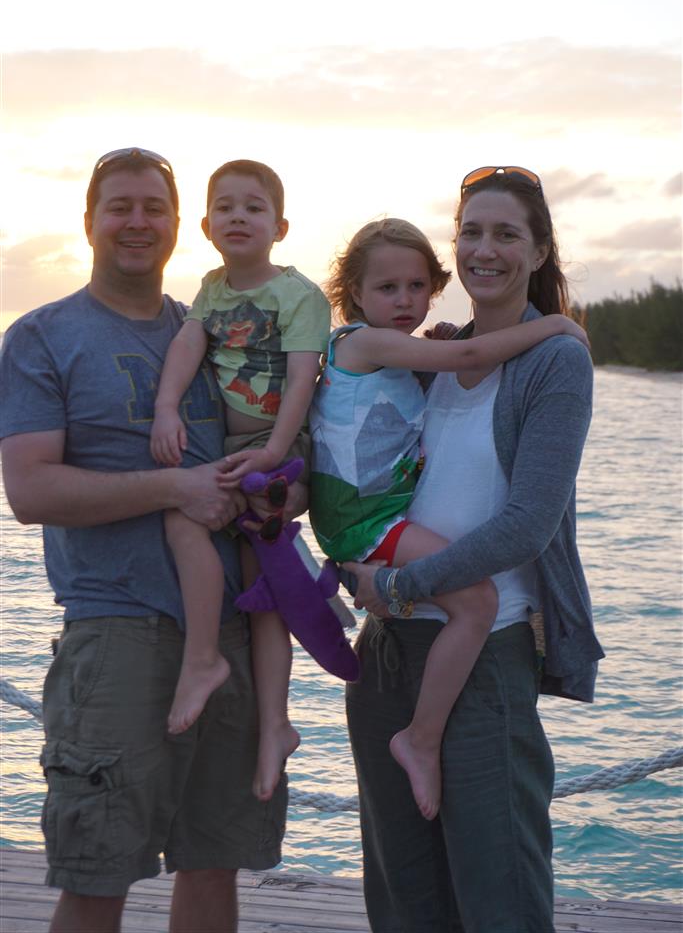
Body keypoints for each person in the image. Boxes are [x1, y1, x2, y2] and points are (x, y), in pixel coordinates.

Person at [0, 148, 298, 933]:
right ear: (89, 222)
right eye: (120, 207)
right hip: (115, 633)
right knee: (97, 872)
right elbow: (30, 492)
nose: (137, 222)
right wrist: (175, 488)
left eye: (153, 208)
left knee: (213, 863)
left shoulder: (216, 330)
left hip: (230, 631)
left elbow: (284, 435)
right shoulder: (42, 337)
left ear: (177, 225)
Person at [342, 168, 605, 933]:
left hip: (485, 659)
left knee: (500, 900)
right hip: (385, 656)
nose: (483, 249)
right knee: (404, 902)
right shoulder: (428, 356)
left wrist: (401, 584)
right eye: (469, 232)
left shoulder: (555, 360)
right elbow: (356, 469)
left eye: (505, 234)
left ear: (538, 250)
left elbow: (527, 524)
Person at [309, 217, 589, 821]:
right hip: (367, 522)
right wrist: (556, 325)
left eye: (416, 287)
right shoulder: (362, 342)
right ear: (354, 292)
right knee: (478, 602)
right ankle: (422, 738)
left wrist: (433, 347)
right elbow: (467, 353)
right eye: (388, 288)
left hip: (364, 519)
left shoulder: (395, 357)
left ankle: (421, 736)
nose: (405, 301)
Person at [150, 159, 330, 800]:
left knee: (185, 519)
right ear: (205, 226)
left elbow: (303, 376)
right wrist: (166, 407)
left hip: (277, 446)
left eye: (253, 207)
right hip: (232, 450)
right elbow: (187, 346)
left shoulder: (299, 295)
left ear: (279, 227)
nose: (238, 217)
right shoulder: (211, 289)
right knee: (262, 590)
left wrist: (275, 451)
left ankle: (206, 664)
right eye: (224, 207)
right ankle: (275, 726)